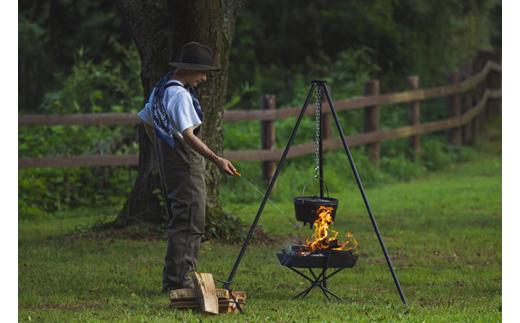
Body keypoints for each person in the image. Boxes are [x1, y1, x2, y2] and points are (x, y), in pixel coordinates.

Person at [137, 42, 238, 293]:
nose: (203, 77)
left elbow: (147, 121)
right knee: (191, 219)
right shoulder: (180, 95)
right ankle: (178, 282)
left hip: (172, 161)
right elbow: (189, 135)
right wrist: (218, 159)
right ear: (189, 68)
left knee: (181, 217)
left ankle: (175, 278)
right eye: (202, 71)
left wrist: (163, 149)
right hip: (185, 163)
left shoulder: (161, 87)